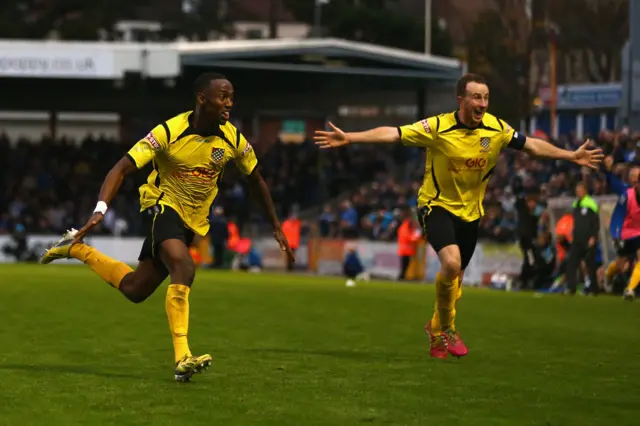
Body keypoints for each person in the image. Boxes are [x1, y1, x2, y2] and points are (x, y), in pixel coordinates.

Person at [314, 73, 603, 359]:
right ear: (461, 100)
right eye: (476, 97)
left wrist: (570, 156)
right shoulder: (438, 127)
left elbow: (532, 145)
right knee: (451, 263)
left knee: (456, 281)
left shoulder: (496, 128)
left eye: (486, 97)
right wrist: (350, 137)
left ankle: (436, 328)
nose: (482, 103)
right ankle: (448, 329)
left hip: (471, 213)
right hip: (436, 205)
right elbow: (394, 132)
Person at [40, 72, 295, 382]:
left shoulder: (234, 139)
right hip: (161, 205)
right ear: (202, 99)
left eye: (231, 97)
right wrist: (100, 208)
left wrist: (276, 225)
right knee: (184, 265)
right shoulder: (168, 131)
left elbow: (256, 181)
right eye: (222, 97)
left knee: (136, 289)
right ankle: (182, 357)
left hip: (192, 219)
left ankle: (76, 249)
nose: (229, 103)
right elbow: (122, 167)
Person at [603, 156, 640, 300]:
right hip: (625, 232)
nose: (636, 179)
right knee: (620, 264)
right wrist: (608, 169)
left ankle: (630, 289)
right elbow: (612, 182)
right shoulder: (626, 192)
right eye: (635, 176)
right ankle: (608, 274)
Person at [565, 182, 600, 296]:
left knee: (590, 265)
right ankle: (571, 288)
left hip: (588, 239)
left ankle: (593, 289)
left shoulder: (591, 203)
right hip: (577, 239)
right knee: (571, 262)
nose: (578, 192)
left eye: (580, 190)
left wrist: (593, 236)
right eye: (577, 190)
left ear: (585, 191)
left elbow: (595, 222)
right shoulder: (576, 204)